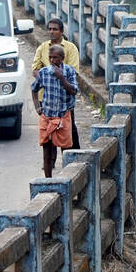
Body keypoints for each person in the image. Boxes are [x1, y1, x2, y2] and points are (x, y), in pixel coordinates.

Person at [32, 17, 80, 149]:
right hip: (46, 96)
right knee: (48, 130)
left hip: (65, 98)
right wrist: (46, 77)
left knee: (69, 128)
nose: (51, 32)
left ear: (62, 31)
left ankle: (74, 157)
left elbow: (73, 72)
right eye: (50, 29)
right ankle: (50, 162)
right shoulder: (43, 48)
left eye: (55, 29)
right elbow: (35, 69)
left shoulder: (71, 48)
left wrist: (59, 77)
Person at [31, 45, 77, 178]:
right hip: (47, 117)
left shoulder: (69, 71)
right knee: (47, 151)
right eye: (50, 57)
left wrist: (62, 78)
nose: (52, 60)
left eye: (55, 58)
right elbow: (34, 89)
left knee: (66, 150)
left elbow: (74, 91)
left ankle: (67, 179)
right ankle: (48, 180)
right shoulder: (44, 72)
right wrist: (37, 107)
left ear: (62, 58)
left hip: (63, 116)